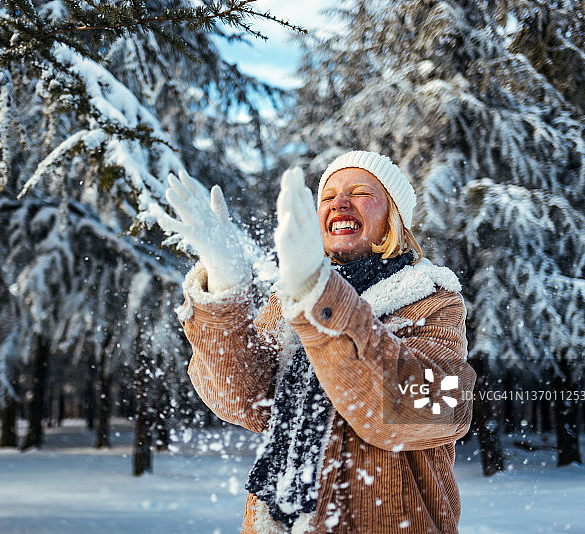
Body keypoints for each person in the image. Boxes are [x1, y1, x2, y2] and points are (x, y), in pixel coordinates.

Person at [158, 151, 476, 534]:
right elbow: (247, 402)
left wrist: (320, 295)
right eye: (328, 196)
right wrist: (224, 286)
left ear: (394, 216)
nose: (340, 203)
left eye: (360, 192)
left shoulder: (434, 299)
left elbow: (433, 411)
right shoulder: (290, 299)